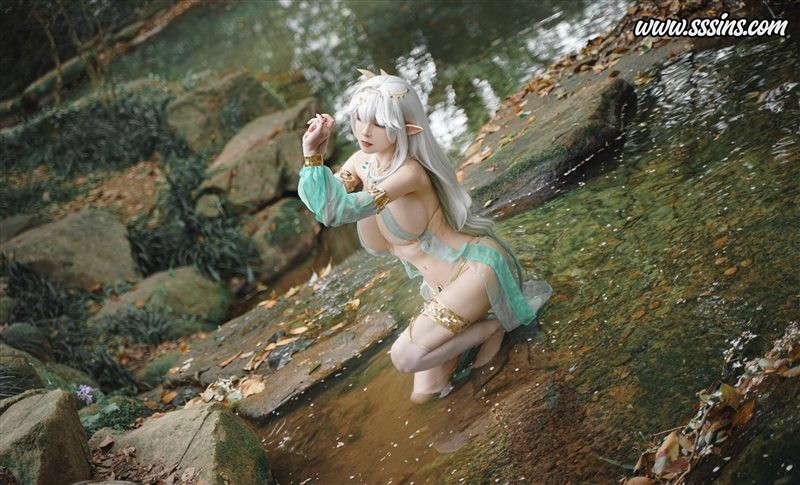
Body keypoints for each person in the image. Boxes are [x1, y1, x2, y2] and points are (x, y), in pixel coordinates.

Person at [298, 69, 552, 402]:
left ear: (406, 128)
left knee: (405, 357)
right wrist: (312, 152)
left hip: (473, 272)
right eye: (359, 118)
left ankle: (491, 329)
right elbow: (324, 206)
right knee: (425, 395)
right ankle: (478, 335)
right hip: (439, 289)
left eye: (378, 123)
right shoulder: (361, 162)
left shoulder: (409, 173)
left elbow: (341, 210)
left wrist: (313, 157)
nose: (364, 130)